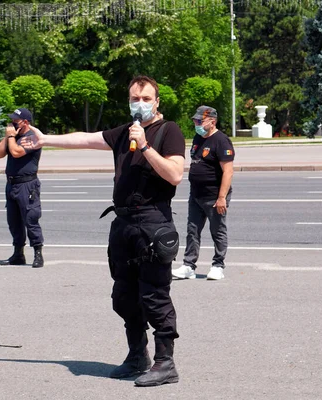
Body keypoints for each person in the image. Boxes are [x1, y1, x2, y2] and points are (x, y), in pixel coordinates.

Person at [21, 76, 185, 387]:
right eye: (135, 98)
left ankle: (166, 362)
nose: (139, 103)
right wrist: (45, 139)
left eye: (146, 98)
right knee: (124, 296)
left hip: (153, 223)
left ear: (157, 101)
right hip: (123, 225)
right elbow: (85, 138)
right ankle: (138, 356)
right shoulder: (124, 133)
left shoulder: (169, 131)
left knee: (154, 297)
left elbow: (175, 174)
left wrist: (146, 145)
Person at [171, 106, 235, 281]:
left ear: (212, 121)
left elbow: (228, 172)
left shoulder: (221, 141)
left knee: (217, 231)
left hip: (215, 196)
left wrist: (222, 197)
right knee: (192, 230)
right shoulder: (199, 138)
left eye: (199, 121)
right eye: (195, 120)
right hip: (196, 195)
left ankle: (218, 266)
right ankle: (189, 266)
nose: (196, 124)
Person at [0, 108, 44, 268]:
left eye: (16, 121)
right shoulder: (13, 137)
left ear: (26, 122)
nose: (13, 123)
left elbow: (16, 153)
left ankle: (38, 253)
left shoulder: (32, 138)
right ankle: (18, 254)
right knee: (14, 221)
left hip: (27, 185)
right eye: (12, 121)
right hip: (11, 184)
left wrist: (10, 137)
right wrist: (8, 136)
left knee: (30, 219)